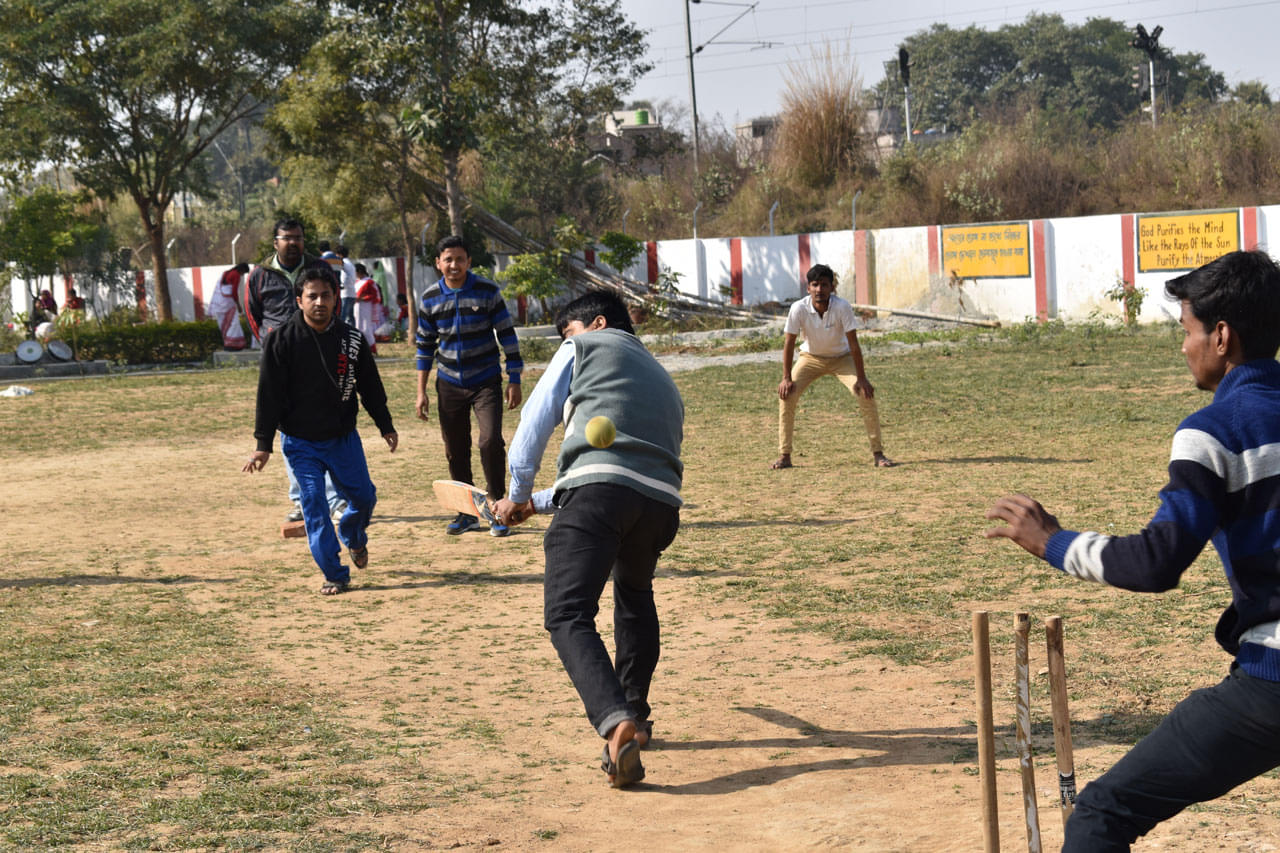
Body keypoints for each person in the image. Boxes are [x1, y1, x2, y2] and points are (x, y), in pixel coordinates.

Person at [986, 249, 1280, 851]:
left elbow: (1156, 563)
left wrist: (1054, 542)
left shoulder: (1215, 429)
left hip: (1272, 684)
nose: (1183, 347)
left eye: (1187, 331)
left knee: (1101, 813)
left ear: (1222, 337)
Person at [494, 291, 684, 789]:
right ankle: (636, 718)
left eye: (567, 332)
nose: (566, 342)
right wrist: (532, 504)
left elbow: (533, 427)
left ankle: (613, 720)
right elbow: (619, 468)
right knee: (635, 596)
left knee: (568, 612)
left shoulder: (585, 346)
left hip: (602, 495)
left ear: (596, 323)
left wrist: (514, 492)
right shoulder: (661, 377)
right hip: (661, 505)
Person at [243, 264, 398, 596]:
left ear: (335, 299)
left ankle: (353, 534)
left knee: (364, 498)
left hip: (342, 438)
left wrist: (385, 424)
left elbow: (369, 386)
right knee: (313, 505)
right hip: (300, 443)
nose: (319, 302)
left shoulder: (351, 340)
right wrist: (262, 444)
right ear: (299, 300)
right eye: (311, 296)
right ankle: (335, 574)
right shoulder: (280, 341)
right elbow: (267, 395)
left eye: (326, 295)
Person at [415, 235, 523, 536]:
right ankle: (467, 513)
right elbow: (424, 348)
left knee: (490, 441)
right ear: (438, 263)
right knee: (455, 449)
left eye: (459, 259)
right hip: (448, 382)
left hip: (485, 380)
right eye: (447, 259)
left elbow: (508, 336)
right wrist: (421, 391)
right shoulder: (429, 298)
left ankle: (499, 508)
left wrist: (514, 379)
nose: (454, 265)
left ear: (468, 262)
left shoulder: (487, 291)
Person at [245, 219, 345, 523]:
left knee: (325, 426)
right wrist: (270, 342)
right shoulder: (259, 275)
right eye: (287, 238)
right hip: (280, 362)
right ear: (275, 242)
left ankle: (334, 499)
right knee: (289, 429)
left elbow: (334, 305)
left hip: (318, 357)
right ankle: (303, 499)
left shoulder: (319, 270)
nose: (293, 243)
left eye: (298, 238)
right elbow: (253, 314)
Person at [772, 264, 894, 470]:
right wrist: (786, 377)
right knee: (787, 395)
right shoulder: (798, 308)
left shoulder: (842, 307)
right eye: (815, 285)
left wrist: (862, 378)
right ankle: (785, 455)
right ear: (808, 288)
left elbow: (854, 345)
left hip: (841, 358)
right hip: (810, 357)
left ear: (832, 288)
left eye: (825, 285)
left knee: (865, 394)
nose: (820, 290)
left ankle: (878, 453)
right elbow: (789, 343)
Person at [210, 263, 250, 350]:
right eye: (244, 273)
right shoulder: (236, 275)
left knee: (224, 323)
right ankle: (233, 345)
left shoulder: (226, 273)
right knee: (234, 323)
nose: (243, 275)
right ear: (242, 270)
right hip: (229, 303)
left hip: (220, 302)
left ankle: (227, 344)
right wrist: (239, 305)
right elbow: (234, 292)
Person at [351, 262, 382, 353]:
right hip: (356, 307)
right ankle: (361, 350)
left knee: (366, 328)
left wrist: (362, 299)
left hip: (366, 307)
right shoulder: (357, 282)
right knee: (357, 327)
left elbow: (375, 296)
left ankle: (372, 350)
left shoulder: (369, 282)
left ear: (360, 271)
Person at [337, 245, 357, 325]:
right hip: (352, 293)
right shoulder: (350, 264)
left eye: (337, 255)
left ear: (340, 254)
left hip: (346, 293)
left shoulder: (343, 263)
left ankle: (341, 334)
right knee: (350, 316)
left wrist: (342, 285)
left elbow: (344, 278)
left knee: (343, 316)